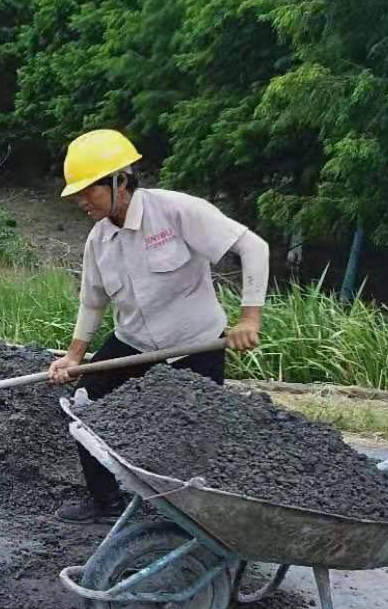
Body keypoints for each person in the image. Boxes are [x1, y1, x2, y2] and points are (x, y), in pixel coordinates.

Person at [47, 129, 270, 523]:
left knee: (195, 433)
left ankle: (190, 518)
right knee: (83, 405)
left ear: (119, 181)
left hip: (196, 345)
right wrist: (73, 357)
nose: (81, 201)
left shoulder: (177, 211)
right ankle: (105, 501)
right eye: (77, 193)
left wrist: (249, 317)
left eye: (88, 191)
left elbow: (254, 247)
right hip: (133, 343)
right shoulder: (98, 240)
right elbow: (92, 302)